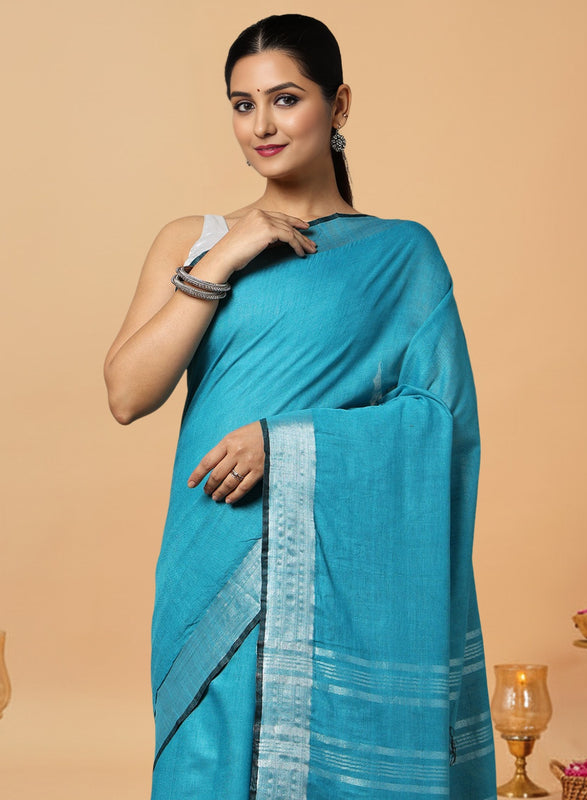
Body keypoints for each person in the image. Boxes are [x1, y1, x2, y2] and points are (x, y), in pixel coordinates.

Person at [104, 13, 496, 800]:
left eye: (285, 99)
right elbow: (127, 393)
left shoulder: (401, 252)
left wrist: (284, 443)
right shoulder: (192, 239)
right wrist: (228, 252)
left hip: (328, 562)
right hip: (209, 550)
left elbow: (439, 421)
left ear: (338, 104)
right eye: (242, 105)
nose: (262, 126)